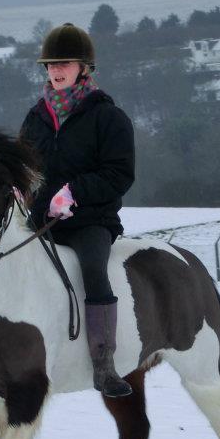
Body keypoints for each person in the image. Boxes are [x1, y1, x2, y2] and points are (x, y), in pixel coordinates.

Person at [19, 23, 136, 398]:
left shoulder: (109, 117)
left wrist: (74, 192)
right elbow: (23, 167)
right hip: (41, 220)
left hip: (90, 221)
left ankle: (104, 364)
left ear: (84, 67)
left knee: (93, 271)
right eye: (51, 64)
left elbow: (119, 174)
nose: (55, 70)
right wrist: (18, 188)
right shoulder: (36, 118)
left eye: (64, 63)